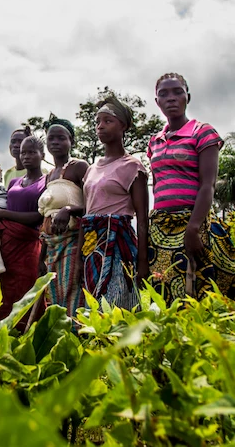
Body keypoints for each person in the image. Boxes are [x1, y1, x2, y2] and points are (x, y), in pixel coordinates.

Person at [147, 74, 235, 304]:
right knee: (167, 295)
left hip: (194, 223)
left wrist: (193, 228)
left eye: (177, 92)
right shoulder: (154, 142)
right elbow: (158, 186)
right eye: (164, 94)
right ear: (157, 102)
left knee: (204, 292)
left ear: (187, 97)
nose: (171, 98)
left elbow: (208, 185)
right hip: (162, 228)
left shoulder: (202, 132)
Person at [80, 96, 149, 310]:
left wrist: (143, 262)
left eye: (108, 121)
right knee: (91, 308)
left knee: (117, 304)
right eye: (98, 122)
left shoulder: (132, 167)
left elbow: (143, 219)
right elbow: (86, 211)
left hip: (119, 245)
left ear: (123, 126)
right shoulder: (91, 169)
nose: (100, 126)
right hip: (92, 245)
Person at [0, 136, 47, 324]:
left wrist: (2, 214)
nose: (26, 156)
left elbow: (39, 216)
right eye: (23, 153)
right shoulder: (14, 182)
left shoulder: (46, 182)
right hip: (6, 242)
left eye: (31, 152)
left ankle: (26, 337)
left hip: (27, 245)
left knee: (26, 290)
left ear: (42, 155)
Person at [38, 115, 88, 314]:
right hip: (51, 245)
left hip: (73, 242)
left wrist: (68, 210)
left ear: (71, 141)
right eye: (51, 139)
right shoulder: (49, 175)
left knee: (72, 292)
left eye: (61, 138)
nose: (56, 142)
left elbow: (93, 205)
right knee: (55, 296)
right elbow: (46, 216)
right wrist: (41, 256)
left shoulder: (79, 167)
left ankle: (76, 338)